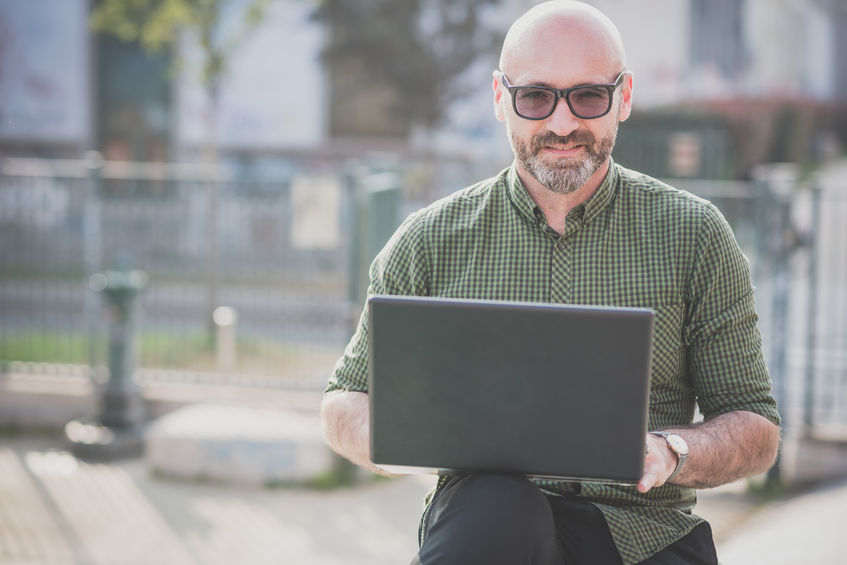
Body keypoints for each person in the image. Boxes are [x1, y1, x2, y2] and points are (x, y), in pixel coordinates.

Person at [321, 1, 781, 563]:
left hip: (646, 532)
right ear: (500, 99)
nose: (562, 123)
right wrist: (392, 440)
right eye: (535, 97)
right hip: (490, 524)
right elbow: (344, 398)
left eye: (588, 95)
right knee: (497, 506)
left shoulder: (695, 235)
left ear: (624, 97)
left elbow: (755, 425)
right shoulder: (428, 240)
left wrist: (671, 450)